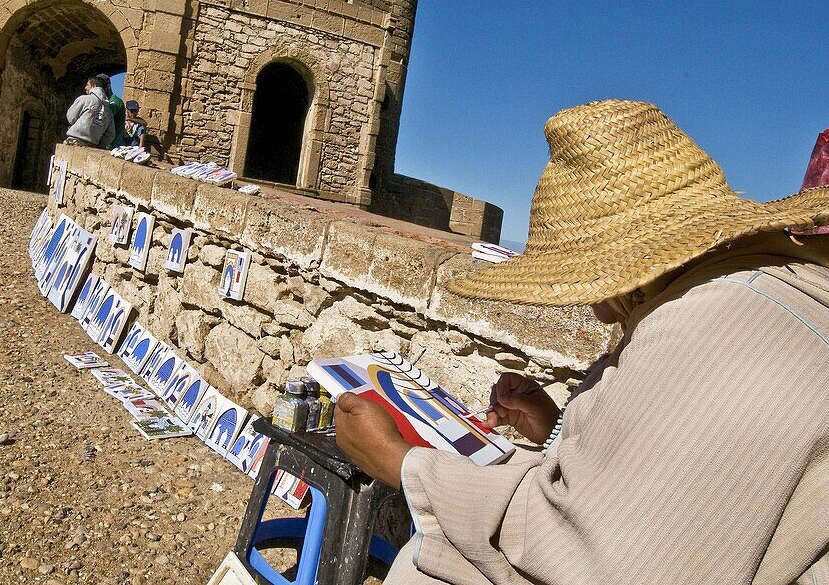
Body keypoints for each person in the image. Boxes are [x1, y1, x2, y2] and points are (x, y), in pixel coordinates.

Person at [335, 99, 829, 585]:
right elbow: (679, 486)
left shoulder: (710, 325)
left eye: (593, 287)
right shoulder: (752, 300)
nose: (594, 310)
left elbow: (589, 558)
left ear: (636, 275)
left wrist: (401, 462)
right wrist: (559, 426)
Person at [65, 75, 114, 149]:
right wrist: (98, 145)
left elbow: (71, 118)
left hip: (75, 141)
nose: (85, 87)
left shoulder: (85, 99)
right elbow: (110, 134)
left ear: (94, 86)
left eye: (87, 85)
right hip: (93, 146)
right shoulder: (109, 111)